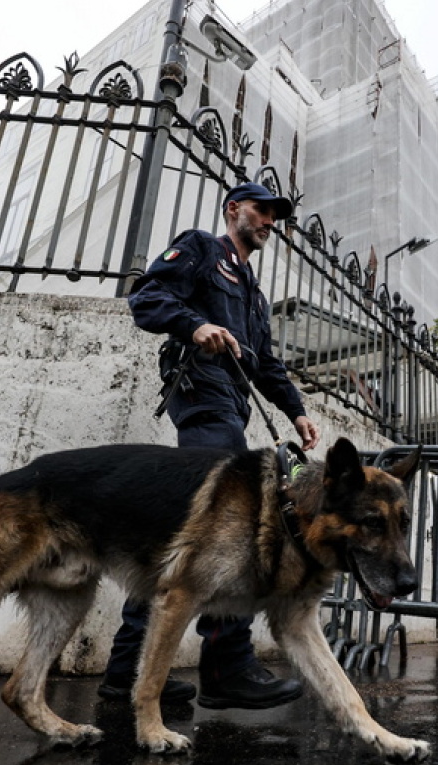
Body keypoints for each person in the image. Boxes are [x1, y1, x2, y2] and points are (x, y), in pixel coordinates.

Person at [98, 182, 321, 710]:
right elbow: (147, 297)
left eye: (274, 215)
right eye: (260, 210)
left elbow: (264, 364)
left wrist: (297, 410)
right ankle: (226, 666)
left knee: (182, 534)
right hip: (201, 395)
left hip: (232, 406)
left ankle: (124, 674)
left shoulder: (254, 295)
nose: (269, 220)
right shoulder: (201, 248)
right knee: (237, 520)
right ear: (233, 210)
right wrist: (195, 325)